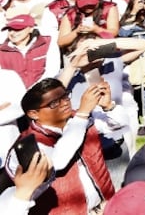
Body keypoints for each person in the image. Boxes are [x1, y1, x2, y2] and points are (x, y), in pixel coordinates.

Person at [8, 78, 117, 214]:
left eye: (65, 96)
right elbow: (58, 162)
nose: (64, 103)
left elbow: (119, 124)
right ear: (33, 114)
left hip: (105, 206)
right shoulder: (28, 145)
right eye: (54, 103)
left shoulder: (79, 119)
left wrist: (108, 106)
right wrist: (82, 115)